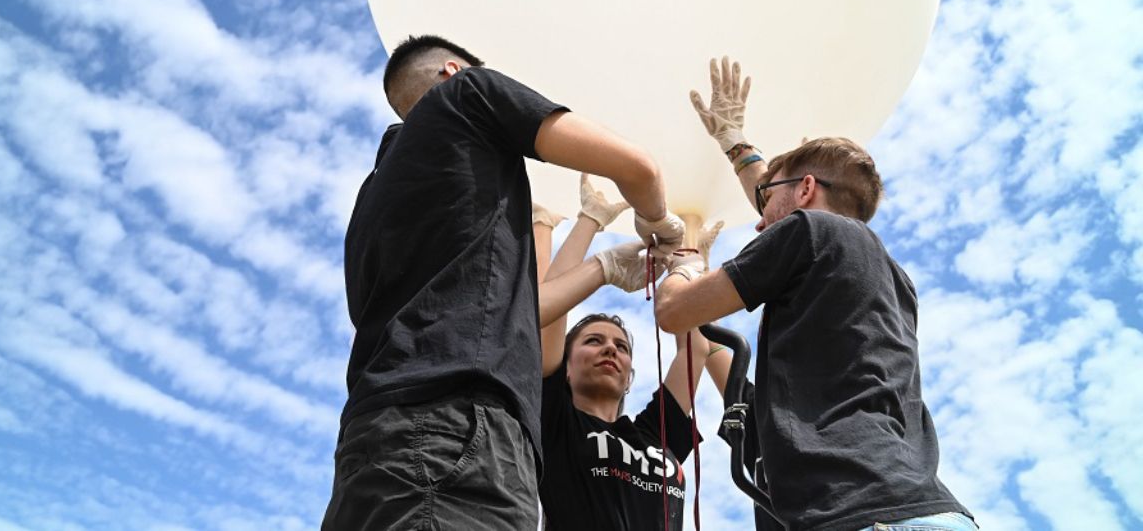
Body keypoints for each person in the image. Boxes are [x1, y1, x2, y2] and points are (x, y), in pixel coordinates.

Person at [322, 35, 686, 530]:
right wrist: (659, 221)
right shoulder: (468, 92)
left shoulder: (377, 191)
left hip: (377, 445)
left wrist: (601, 268)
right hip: (455, 437)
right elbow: (637, 167)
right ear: (453, 71)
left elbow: (506, 316)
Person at [654, 58, 975, 531]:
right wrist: (735, 143)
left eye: (769, 200)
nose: (759, 220)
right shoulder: (890, 278)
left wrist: (684, 263)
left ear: (805, 189)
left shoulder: (808, 232)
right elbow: (786, 206)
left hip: (859, 514)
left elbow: (674, 312)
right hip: (925, 510)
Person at [529, 179, 722, 530]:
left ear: (630, 372)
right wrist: (590, 220)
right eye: (592, 341)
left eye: (621, 346)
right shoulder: (556, 420)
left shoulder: (655, 434)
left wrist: (690, 270)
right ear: (566, 368)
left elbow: (694, 349)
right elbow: (549, 312)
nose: (609, 349)